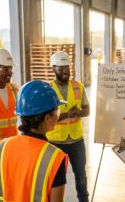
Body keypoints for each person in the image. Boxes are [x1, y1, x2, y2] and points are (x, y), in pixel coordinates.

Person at [0, 80, 68, 202]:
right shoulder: (54, 158)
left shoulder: (1, 147)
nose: (58, 115)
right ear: (47, 118)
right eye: (57, 111)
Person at [47, 51, 90, 202]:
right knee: (55, 179)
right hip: (55, 142)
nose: (65, 72)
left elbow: (87, 110)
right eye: (61, 69)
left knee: (81, 174)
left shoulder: (78, 87)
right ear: (54, 69)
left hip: (76, 140)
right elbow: (45, 117)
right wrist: (66, 115)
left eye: (67, 68)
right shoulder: (48, 89)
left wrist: (78, 112)